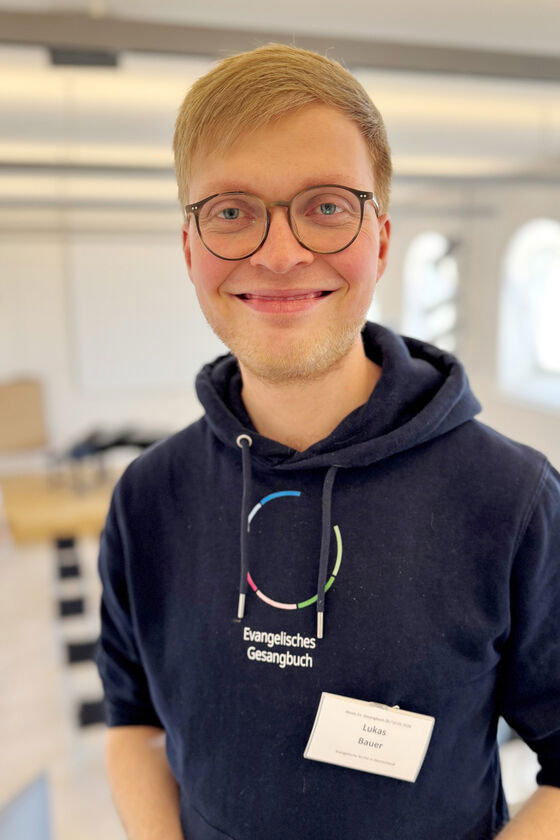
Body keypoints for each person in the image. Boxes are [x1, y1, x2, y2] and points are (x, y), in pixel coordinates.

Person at [95, 43, 560, 840]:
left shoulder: (511, 499)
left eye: (326, 206)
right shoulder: (148, 497)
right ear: (189, 250)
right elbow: (130, 721)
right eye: (232, 210)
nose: (280, 254)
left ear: (380, 239)